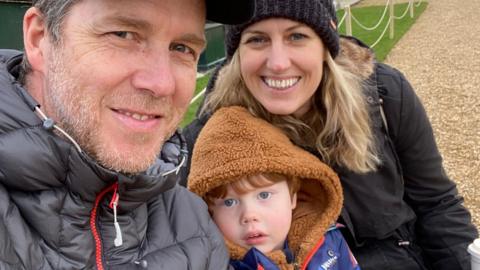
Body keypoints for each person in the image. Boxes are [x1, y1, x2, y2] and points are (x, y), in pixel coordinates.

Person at [180, 0, 479, 269]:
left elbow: (437, 204)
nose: (278, 63)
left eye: (297, 36)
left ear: (326, 46)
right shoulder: (209, 139)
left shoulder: (386, 96)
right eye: (257, 39)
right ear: (237, 54)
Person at [0, 0, 255, 269]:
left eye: (182, 48)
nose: (161, 84)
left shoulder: (193, 225)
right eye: (123, 35)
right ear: (40, 39)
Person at [188, 105, 360, 270]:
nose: (249, 215)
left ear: (293, 197)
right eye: (230, 202)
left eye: (263, 195)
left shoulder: (328, 239)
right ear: (210, 212)